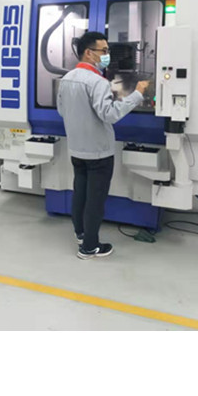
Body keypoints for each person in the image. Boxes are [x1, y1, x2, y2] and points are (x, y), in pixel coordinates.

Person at [57, 31, 149, 260]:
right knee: (95, 200)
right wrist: (137, 94)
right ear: (89, 53)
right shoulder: (97, 82)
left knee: (80, 193)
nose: (107, 55)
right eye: (104, 51)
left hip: (77, 148)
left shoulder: (67, 78)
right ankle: (89, 247)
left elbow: (61, 110)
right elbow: (109, 114)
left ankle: (81, 233)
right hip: (98, 152)